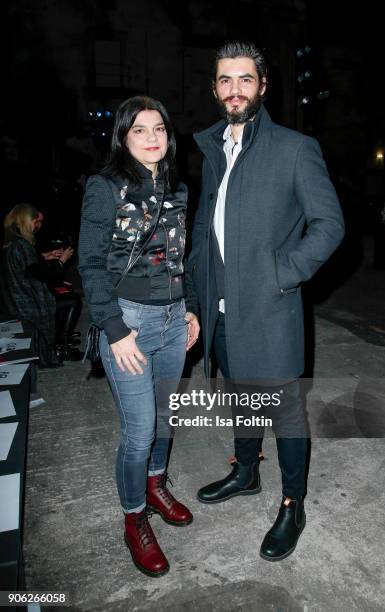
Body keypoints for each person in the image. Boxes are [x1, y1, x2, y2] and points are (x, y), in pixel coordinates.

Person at [185, 42, 345, 562]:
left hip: (271, 310)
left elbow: (329, 225)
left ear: (262, 86)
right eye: (225, 80)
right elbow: (208, 236)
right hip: (222, 312)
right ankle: (247, 472)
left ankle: (292, 503)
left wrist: (283, 273)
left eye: (245, 79)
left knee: (285, 413)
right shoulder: (213, 151)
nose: (235, 89)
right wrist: (194, 297)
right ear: (215, 89)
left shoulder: (295, 148)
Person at [78, 96, 200, 577]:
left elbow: (179, 257)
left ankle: (155, 484)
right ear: (123, 138)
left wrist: (188, 309)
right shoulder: (105, 187)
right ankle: (134, 517)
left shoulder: (178, 188)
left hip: (172, 320)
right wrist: (115, 330)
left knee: (165, 419)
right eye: (140, 130)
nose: (153, 138)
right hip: (127, 322)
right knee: (139, 430)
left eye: (160, 129)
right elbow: (89, 263)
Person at [0, 203, 74, 367]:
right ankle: (59, 347)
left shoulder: (11, 242)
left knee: (65, 295)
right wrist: (61, 262)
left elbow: (26, 268)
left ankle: (59, 343)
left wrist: (45, 257)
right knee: (72, 301)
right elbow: (40, 274)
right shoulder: (21, 245)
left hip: (12, 300)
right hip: (25, 303)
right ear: (27, 221)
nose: (37, 227)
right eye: (35, 222)